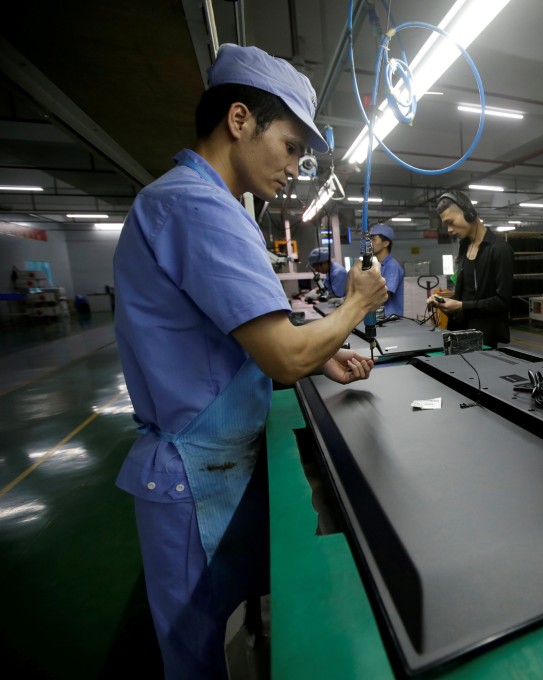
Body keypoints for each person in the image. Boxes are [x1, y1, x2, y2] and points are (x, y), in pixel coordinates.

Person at [112, 43, 388, 679]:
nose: (295, 166)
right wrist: (354, 308)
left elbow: (249, 339)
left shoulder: (209, 203)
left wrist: (321, 358)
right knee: (196, 661)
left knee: (225, 635)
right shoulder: (195, 205)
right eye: (290, 146)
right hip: (190, 478)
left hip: (216, 465)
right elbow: (282, 358)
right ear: (240, 120)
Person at [430, 189, 514, 347]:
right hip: (459, 333)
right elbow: (465, 296)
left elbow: (502, 301)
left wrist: (461, 306)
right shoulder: (464, 247)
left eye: (450, 222)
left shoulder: (499, 250)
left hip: (485, 339)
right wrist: (443, 303)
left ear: (469, 214)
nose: (448, 230)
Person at [368, 223, 405, 318]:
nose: (370, 243)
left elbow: (384, 296)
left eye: (374, 239)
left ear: (385, 243)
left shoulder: (392, 266)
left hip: (391, 320)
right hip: (380, 318)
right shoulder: (377, 266)